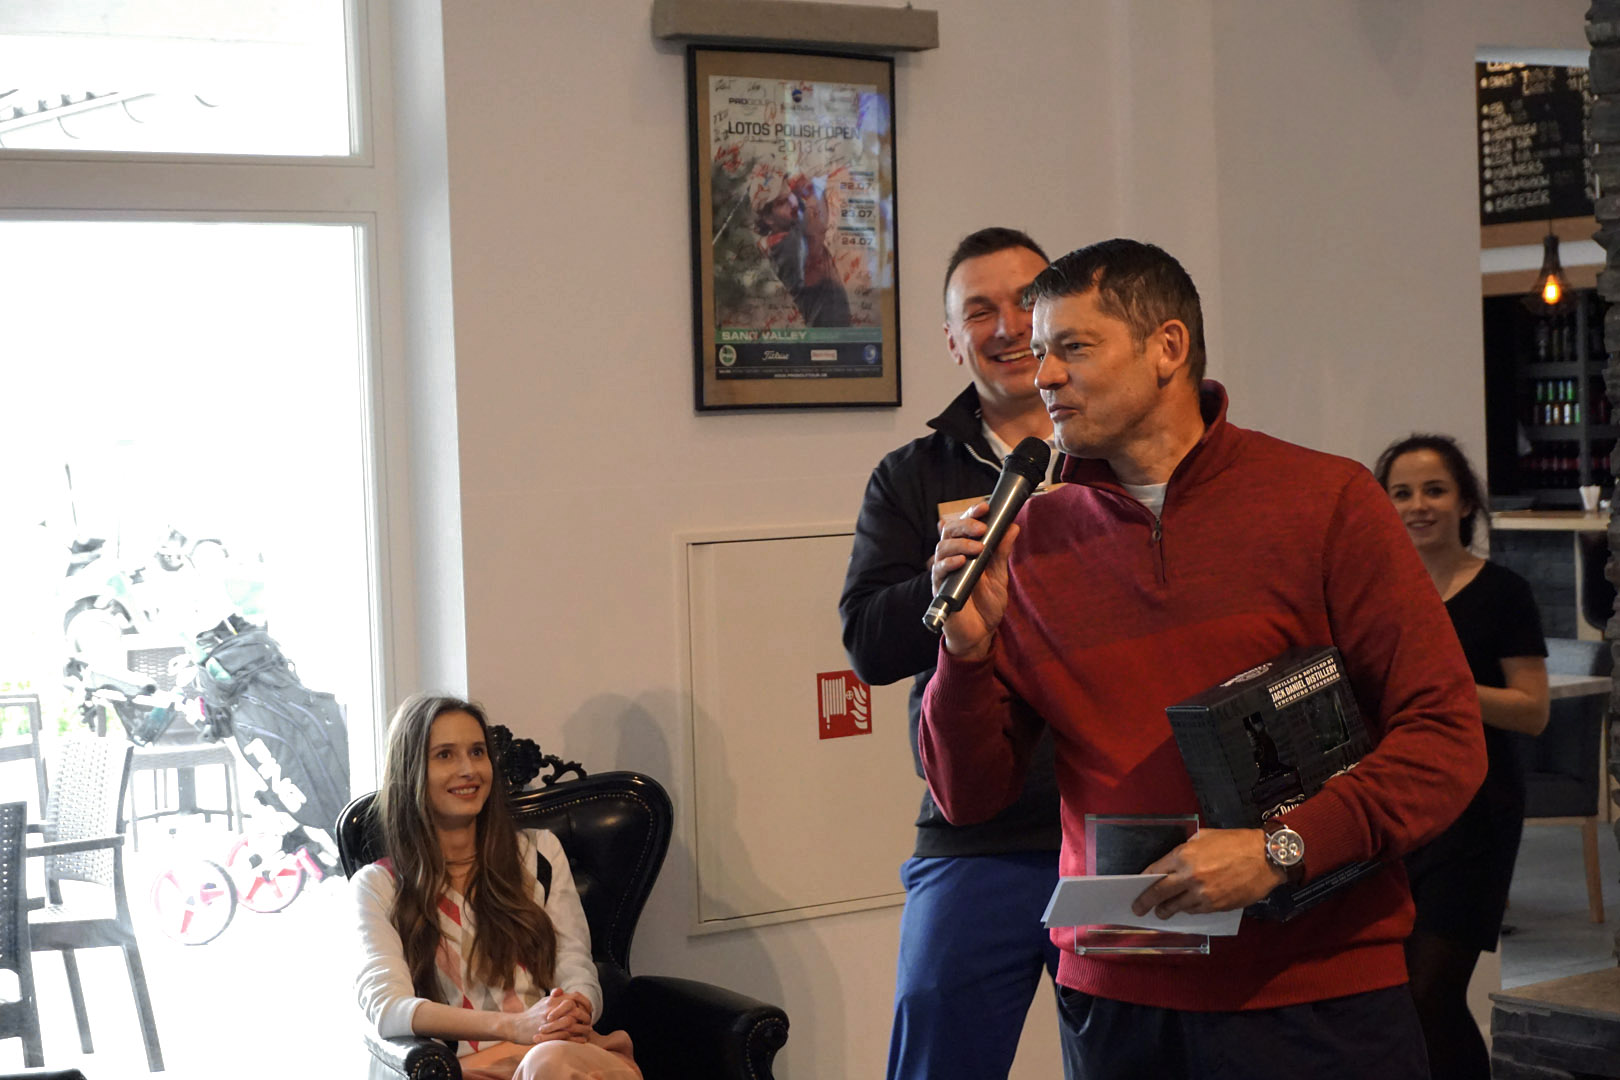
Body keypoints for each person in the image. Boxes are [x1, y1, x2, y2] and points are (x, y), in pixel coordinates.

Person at [921, 238, 1487, 1079]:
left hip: (1318, 992)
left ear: (1167, 348)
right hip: (1120, 1000)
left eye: (1074, 347)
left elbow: (1445, 739)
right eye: (1040, 353)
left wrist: (1281, 849)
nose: (1045, 376)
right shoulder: (1028, 542)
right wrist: (964, 658)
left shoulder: (1326, 502)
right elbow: (968, 799)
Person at [840, 227, 1071, 1080]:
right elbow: (868, 644)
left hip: (1121, 821)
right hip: (975, 831)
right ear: (950, 339)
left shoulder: (1115, 456)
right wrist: (940, 582)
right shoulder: (910, 475)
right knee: (934, 1041)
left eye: (1025, 303)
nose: (1006, 327)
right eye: (979, 311)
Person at [1375, 433, 1549, 1080]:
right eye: (1401, 493)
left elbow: (1532, 709)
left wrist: (1446, 690)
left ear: (1466, 502)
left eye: (1434, 490)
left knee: (1432, 994)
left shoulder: (1503, 592)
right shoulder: (1377, 594)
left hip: (1477, 813)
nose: (1418, 506)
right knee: (1397, 999)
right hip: (1395, 811)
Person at [353, 694, 639, 1080]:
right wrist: (514, 1027)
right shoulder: (378, 886)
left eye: (477, 752)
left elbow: (575, 964)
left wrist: (576, 1006)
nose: (468, 769)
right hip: (464, 1069)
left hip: (563, 1055)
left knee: (548, 1062)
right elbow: (388, 1008)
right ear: (411, 771)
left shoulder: (539, 854)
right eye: (445, 755)